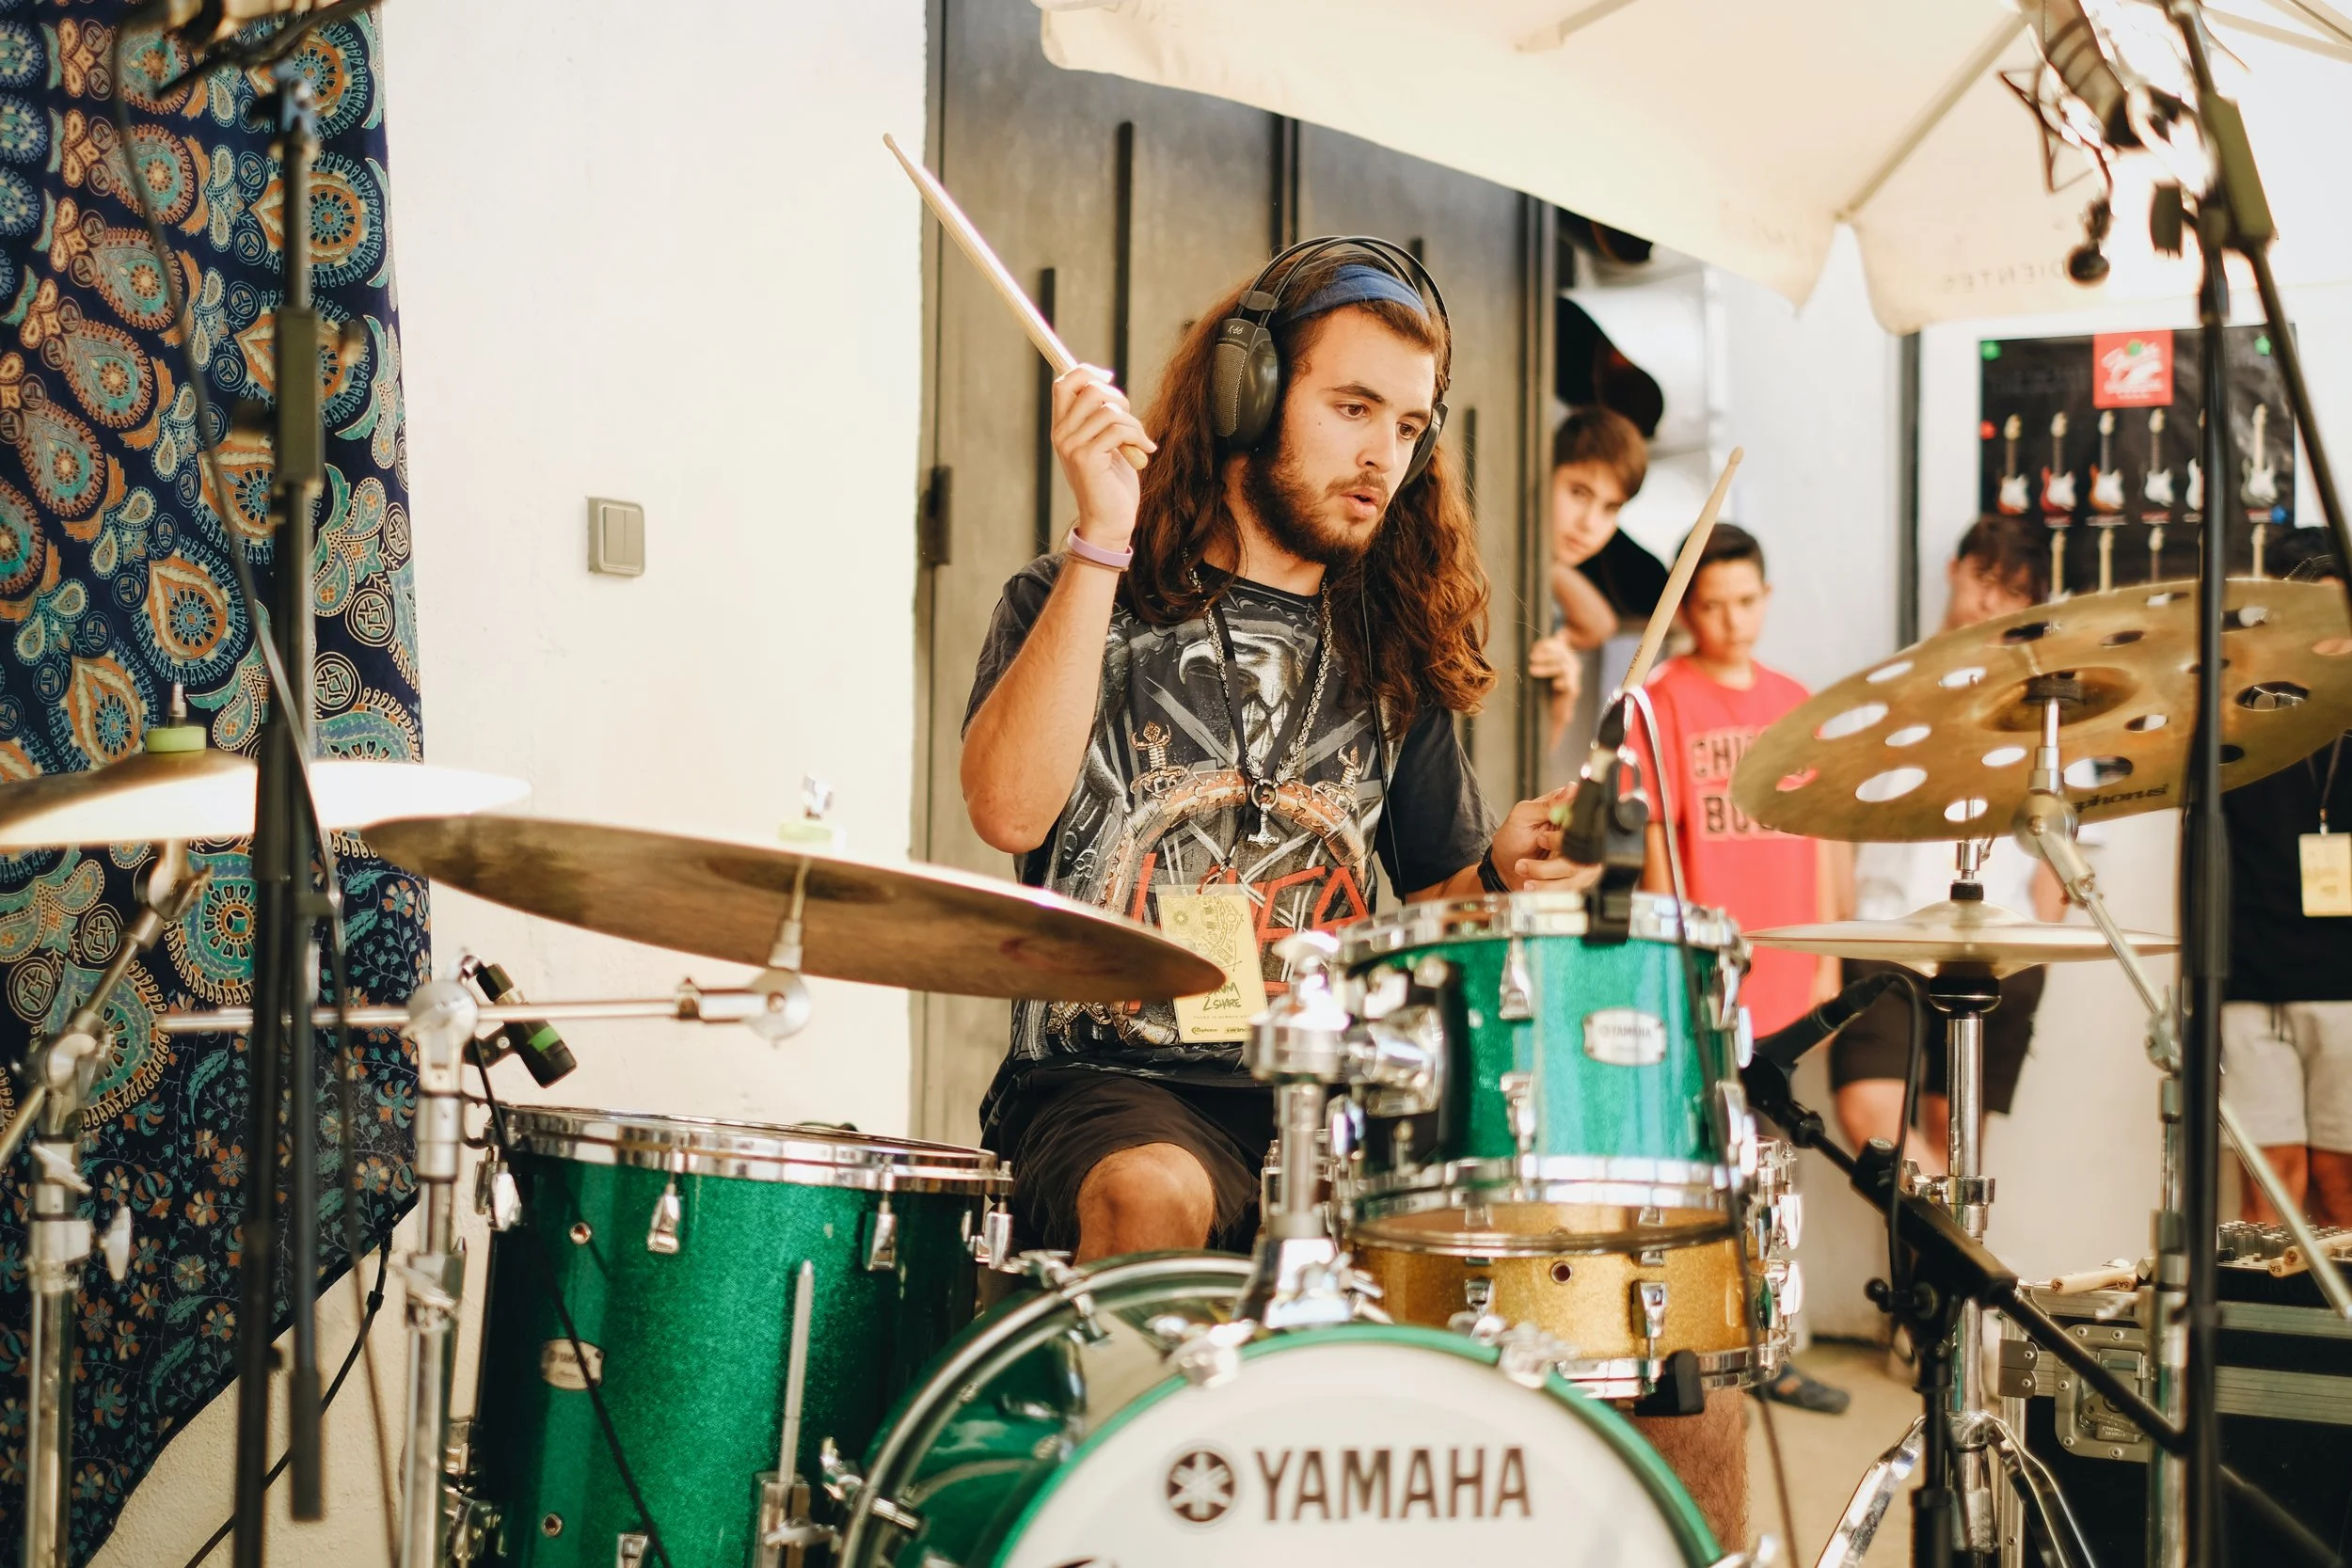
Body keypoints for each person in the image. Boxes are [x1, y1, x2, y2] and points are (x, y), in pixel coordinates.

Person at [961, 238, 1586, 1268]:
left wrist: (1503, 869)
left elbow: (1435, 901)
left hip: (1335, 1098)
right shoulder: (1077, 596)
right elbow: (1008, 813)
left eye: (1408, 424)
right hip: (1114, 1086)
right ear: (1245, 395)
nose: (1383, 452)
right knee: (1149, 1190)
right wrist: (1101, 538)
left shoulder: (1392, 644)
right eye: (1352, 408)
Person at [1634, 520, 1848, 1415]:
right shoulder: (1661, 699)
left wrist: (1830, 952)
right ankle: (1703, 1331)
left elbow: (1824, 832)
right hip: (1706, 969)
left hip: (1790, 964)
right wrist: (1664, 953)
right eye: (1712, 604)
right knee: (1704, 1156)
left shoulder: (1796, 701)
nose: (1730, 620)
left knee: (1771, 1163)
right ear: (1687, 608)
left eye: (1745, 601)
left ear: (1766, 596)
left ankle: (1768, 1336)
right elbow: (1654, 835)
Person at [1831, 515, 2065, 1177]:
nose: (1992, 602)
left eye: (2014, 592)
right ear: (1953, 570)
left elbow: (2056, 835)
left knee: (1956, 1133)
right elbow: (1829, 823)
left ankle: (1947, 1281)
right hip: (1885, 933)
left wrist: (2039, 946)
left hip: (1996, 943)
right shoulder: (1883, 686)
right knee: (1869, 1119)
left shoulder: (2035, 703)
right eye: (1985, 578)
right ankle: (1958, 1270)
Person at [2221, 549, 2352, 1227]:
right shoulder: (2237, 719)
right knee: (2268, 1197)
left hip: (2348, 988)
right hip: (2251, 987)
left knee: (2343, 1187)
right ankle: (2266, 1336)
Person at [1527, 406, 1671, 748]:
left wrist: (1561, 702)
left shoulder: (1548, 586)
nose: (1590, 524)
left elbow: (1599, 625)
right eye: (1579, 493)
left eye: (1611, 508)